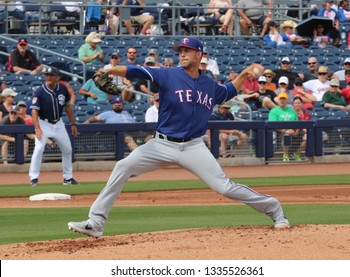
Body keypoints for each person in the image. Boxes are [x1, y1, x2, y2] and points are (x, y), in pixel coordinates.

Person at [67, 37, 290, 238]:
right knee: (123, 166)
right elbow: (137, 72)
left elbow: (229, 91)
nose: (182, 53)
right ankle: (96, 222)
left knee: (223, 187)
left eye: (187, 50)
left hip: (194, 147)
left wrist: (244, 73)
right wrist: (111, 71)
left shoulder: (209, 85)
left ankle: (274, 208)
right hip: (161, 144)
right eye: (180, 50)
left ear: (199, 55)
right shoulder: (167, 74)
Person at [29, 66, 78, 187]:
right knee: (39, 148)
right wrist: (38, 129)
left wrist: (73, 124)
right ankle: (33, 178)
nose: (48, 77)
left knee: (67, 150)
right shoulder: (40, 91)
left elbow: (68, 107)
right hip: (44, 123)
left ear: (58, 77)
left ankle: (68, 178)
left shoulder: (62, 88)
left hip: (59, 123)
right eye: (47, 75)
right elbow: (34, 112)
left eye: (51, 75)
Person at [268, 92, 301, 161]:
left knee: (307, 136)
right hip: (279, 132)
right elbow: (273, 125)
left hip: (293, 131)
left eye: (284, 99)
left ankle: (297, 153)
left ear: (287, 101)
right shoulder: (274, 111)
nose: (282, 101)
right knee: (286, 135)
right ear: (278, 100)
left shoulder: (292, 111)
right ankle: (285, 154)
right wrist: (285, 131)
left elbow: (297, 123)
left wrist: (296, 132)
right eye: (280, 99)